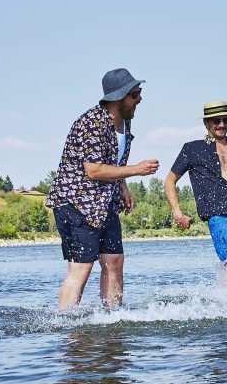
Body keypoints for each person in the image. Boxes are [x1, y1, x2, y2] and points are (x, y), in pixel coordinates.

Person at [47, 68, 160, 310]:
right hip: (76, 204)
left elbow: (112, 163)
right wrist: (135, 170)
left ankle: (112, 318)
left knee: (114, 261)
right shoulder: (92, 123)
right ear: (119, 97)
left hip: (103, 203)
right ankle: (67, 325)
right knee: (81, 268)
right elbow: (94, 170)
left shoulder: (124, 123)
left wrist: (123, 187)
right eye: (134, 94)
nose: (139, 99)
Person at [164, 101, 227, 292]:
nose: (221, 124)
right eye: (216, 121)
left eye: (225, 120)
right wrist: (177, 212)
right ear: (206, 123)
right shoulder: (192, 149)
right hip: (220, 217)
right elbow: (170, 180)